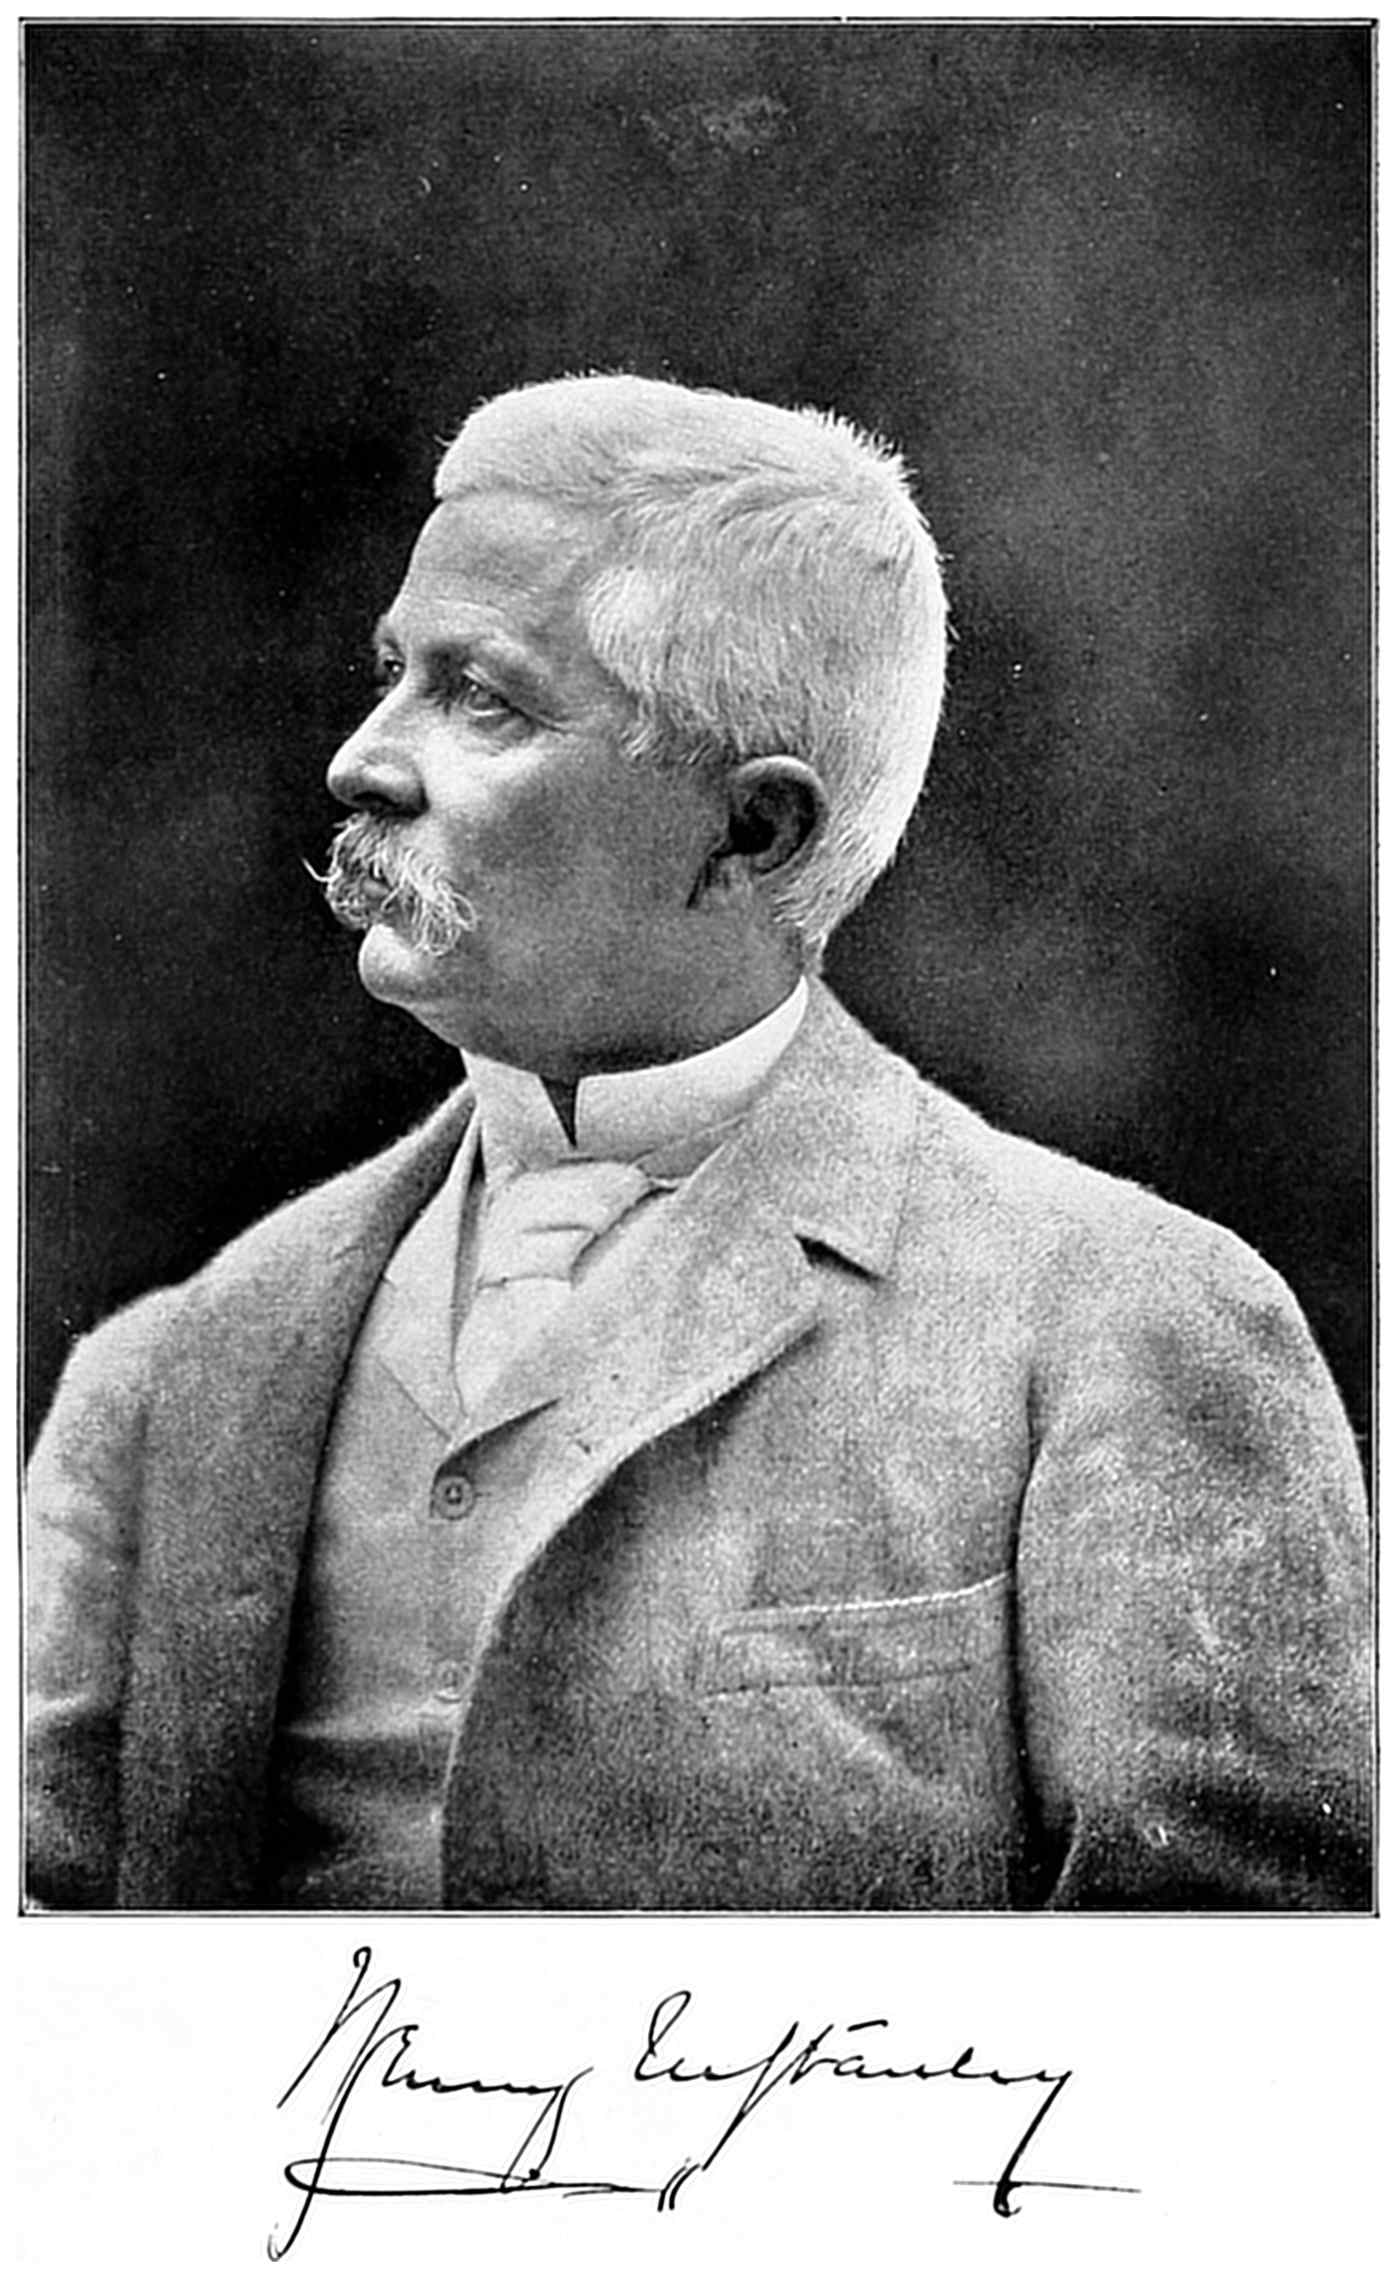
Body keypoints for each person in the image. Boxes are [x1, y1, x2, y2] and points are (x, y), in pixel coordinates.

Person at [25, 373, 1370, 1912]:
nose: (363, 759)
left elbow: (1223, 2004)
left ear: (751, 831)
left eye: (484, 698)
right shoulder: (164, 1378)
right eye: (394, 672)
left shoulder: (1127, 1327)